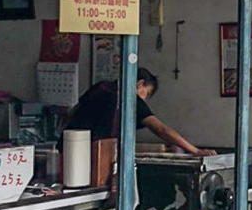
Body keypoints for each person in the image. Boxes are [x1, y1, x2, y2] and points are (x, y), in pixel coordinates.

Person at [62, 67, 215, 158]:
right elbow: (161, 129)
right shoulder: (128, 97)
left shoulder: (101, 87)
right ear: (139, 84)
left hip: (67, 148)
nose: (144, 100)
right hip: (94, 155)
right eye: (146, 94)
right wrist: (196, 151)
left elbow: (73, 112)